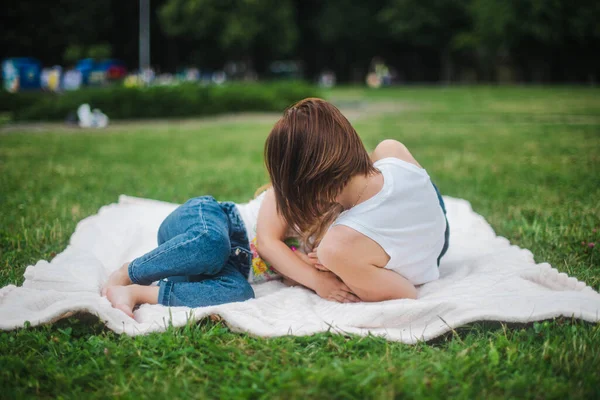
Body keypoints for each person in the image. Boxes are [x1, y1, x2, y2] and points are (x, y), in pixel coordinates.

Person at [258, 98, 449, 302]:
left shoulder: (335, 247)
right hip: (437, 228)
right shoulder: (392, 150)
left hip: (426, 258)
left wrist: (340, 268)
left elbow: (405, 293)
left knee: (340, 248)